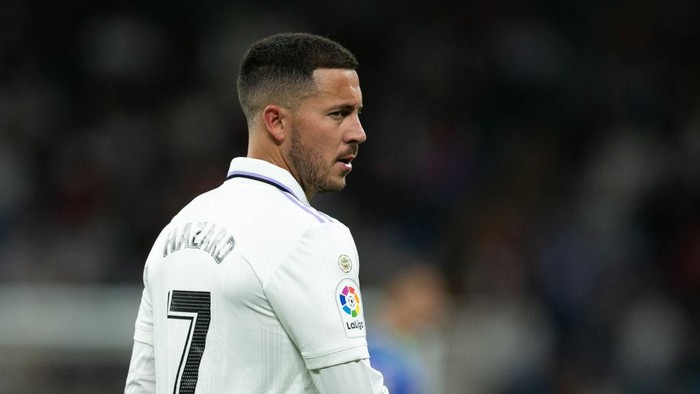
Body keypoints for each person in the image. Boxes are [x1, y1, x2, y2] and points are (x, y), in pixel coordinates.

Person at [124, 32, 388, 393]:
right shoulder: (311, 237)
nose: (358, 133)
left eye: (357, 113)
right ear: (276, 121)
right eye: (338, 114)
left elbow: (140, 385)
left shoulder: (175, 230)